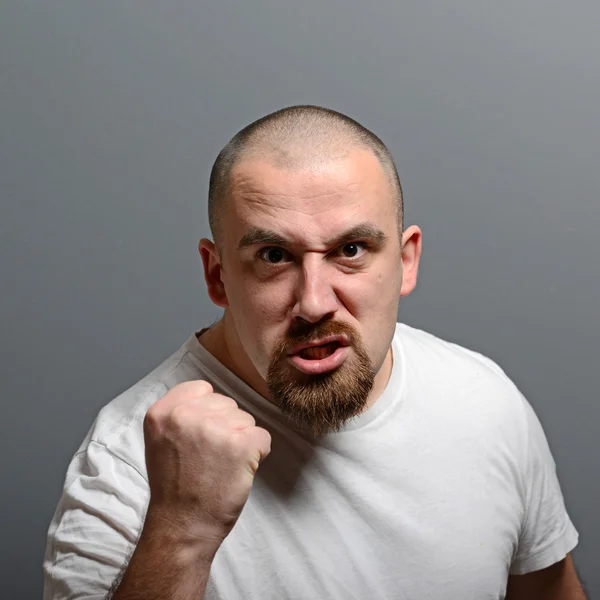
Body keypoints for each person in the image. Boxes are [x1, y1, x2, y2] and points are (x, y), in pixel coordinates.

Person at [43, 105, 586, 600]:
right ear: (218, 276)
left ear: (406, 260)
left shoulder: (483, 401)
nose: (314, 302)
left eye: (351, 251)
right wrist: (182, 532)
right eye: (274, 255)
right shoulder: (125, 467)